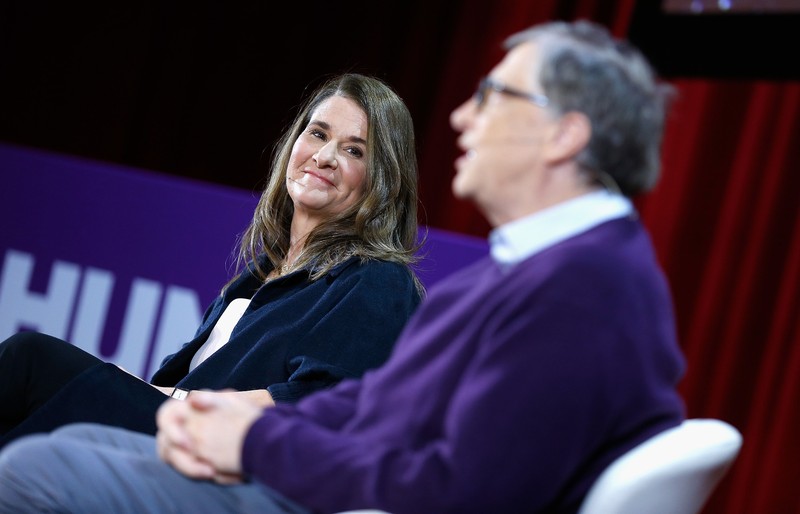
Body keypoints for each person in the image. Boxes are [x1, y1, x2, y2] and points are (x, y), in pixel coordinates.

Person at [0, 20, 686, 514]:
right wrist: (241, 425)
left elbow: (458, 485)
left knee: (35, 466)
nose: (459, 117)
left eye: (492, 98)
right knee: (75, 436)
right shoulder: (534, 271)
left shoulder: (585, 290)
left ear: (564, 134)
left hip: (310, 496)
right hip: (311, 476)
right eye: (317, 135)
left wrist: (256, 444)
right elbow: (374, 402)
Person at [0, 73, 422, 450]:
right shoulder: (258, 275)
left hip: (227, 457)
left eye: (354, 150)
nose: (325, 156)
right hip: (177, 429)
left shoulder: (377, 279)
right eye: (317, 134)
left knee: (32, 359)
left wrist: (188, 405)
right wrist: (150, 391)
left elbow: (327, 401)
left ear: (381, 180)